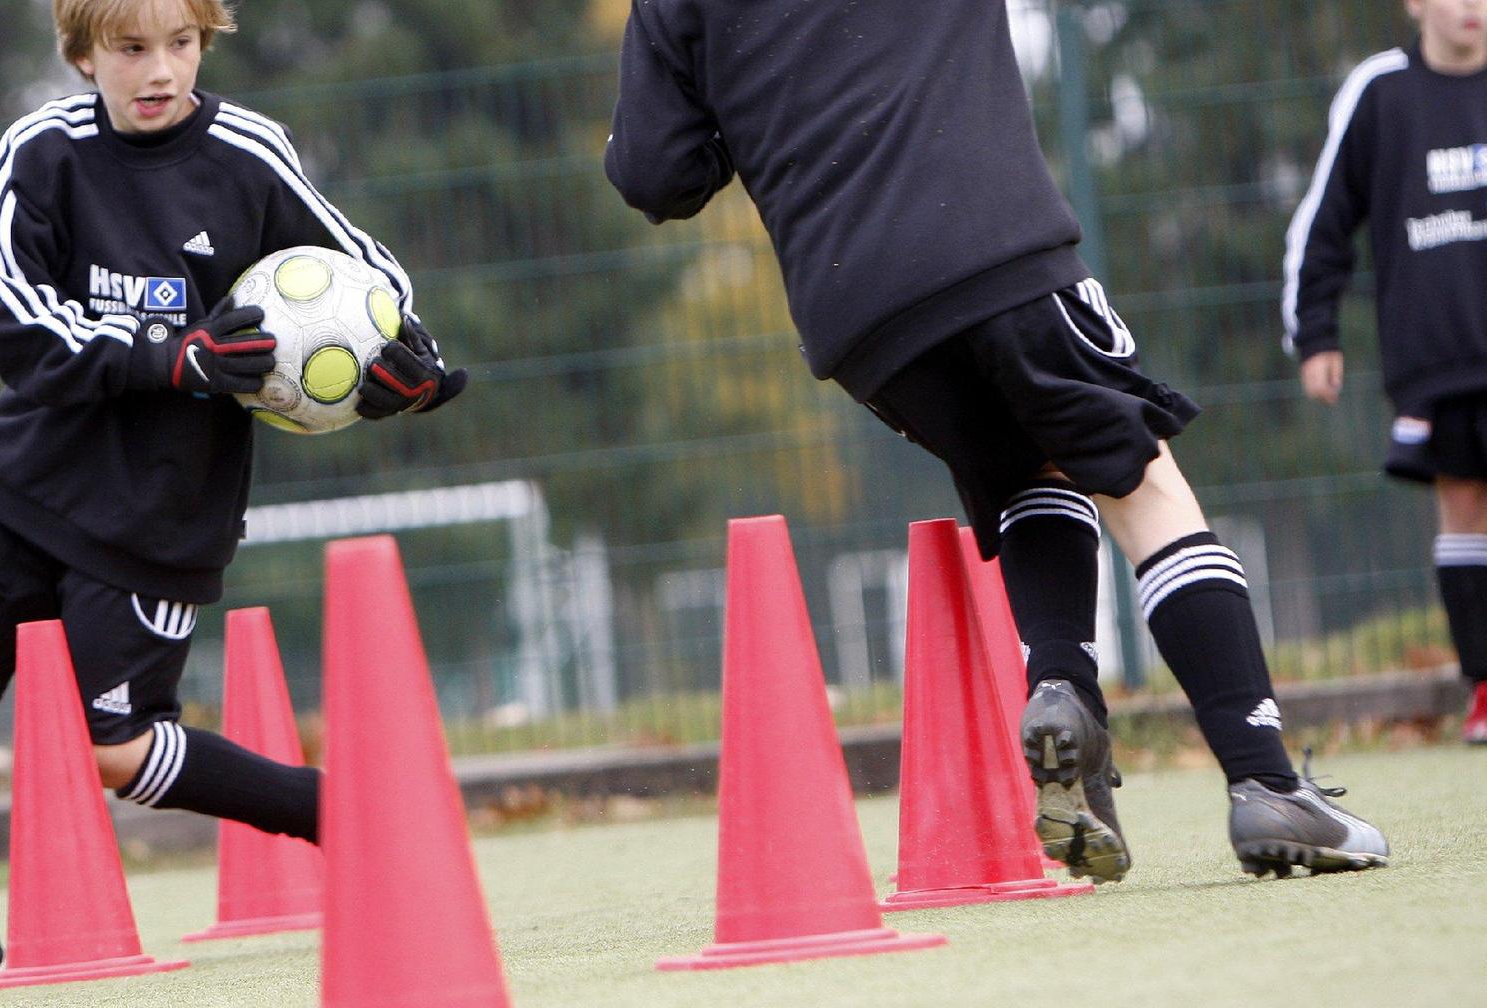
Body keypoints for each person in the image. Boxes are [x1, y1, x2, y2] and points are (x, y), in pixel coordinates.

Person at [604, 0, 1389, 881]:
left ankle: (1062, 694)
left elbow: (651, 172)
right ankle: (1264, 779)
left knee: (1030, 469)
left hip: (855, 319)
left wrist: (754, 123)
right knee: (1143, 481)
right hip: (991, 246)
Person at [0, 0, 464, 991]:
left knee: (119, 751)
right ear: (83, 54)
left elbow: (368, 282)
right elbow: (12, 315)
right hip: (26, 473)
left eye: (180, 45)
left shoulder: (247, 152)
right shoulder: (40, 152)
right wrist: (168, 357)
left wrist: (418, 368)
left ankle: (346, 817)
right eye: (131, 49)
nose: (158, 70)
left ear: (205, 43)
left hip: (159, 505)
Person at [1285, 0, 1487, 747]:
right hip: (1437, 360)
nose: (1470, 7)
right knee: (1463, 507)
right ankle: (1484, 687)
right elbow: (1325, 221)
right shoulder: (1382, 94)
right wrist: (1316, 334)